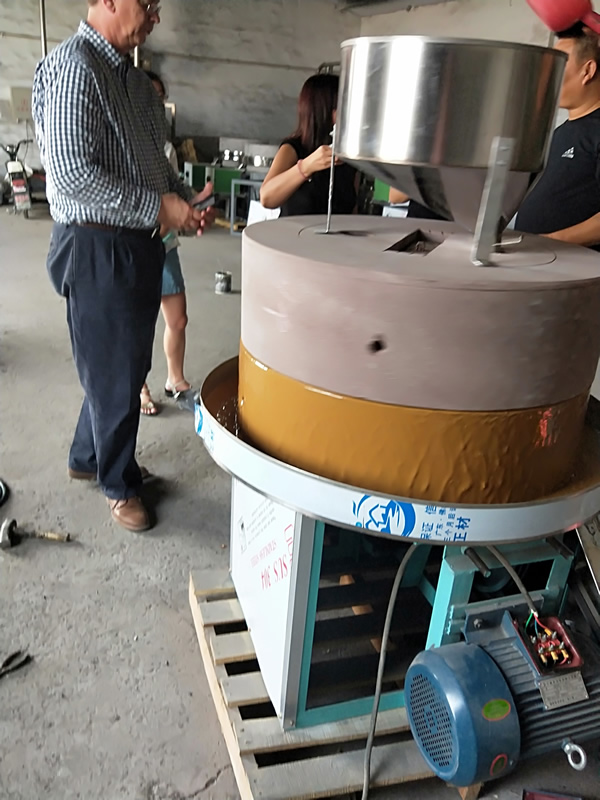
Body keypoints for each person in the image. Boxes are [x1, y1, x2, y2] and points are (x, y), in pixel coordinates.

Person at [32, 0, 214, 533]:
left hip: (136, 246)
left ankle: (87, 456)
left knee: (123, 368)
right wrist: (158, 208)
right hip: (97, 247)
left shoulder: (135, 83)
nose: (156, 16)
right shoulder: (75, 67)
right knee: (115, 374)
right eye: (147, 3)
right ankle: (117, 484)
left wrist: (183, 200)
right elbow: (71, 176)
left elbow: (155, 165)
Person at [140, 70, 197, 416]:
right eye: (150, 94)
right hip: (135, 245)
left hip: (165, 242)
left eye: (160, 97)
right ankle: (139, 387)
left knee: (177, 319)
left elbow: (174, 189)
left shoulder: (164, 148)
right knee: (139, 324)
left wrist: (192, 205)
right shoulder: (125, 144)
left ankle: (175, 378)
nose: (156, 102)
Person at [516, 23, 600, 250]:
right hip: (534, 259)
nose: (549, 75)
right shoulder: (560, 133)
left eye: (559, 64)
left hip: (575, 266)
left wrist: (550, 242)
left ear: (588, 71)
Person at [260, 73, 357, 216]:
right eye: (341, 107)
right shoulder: (293, 148)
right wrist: (306, 167)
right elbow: (267, 198)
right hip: (296, 230)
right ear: (322, 110)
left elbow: (353, 207)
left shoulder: (346, 155)